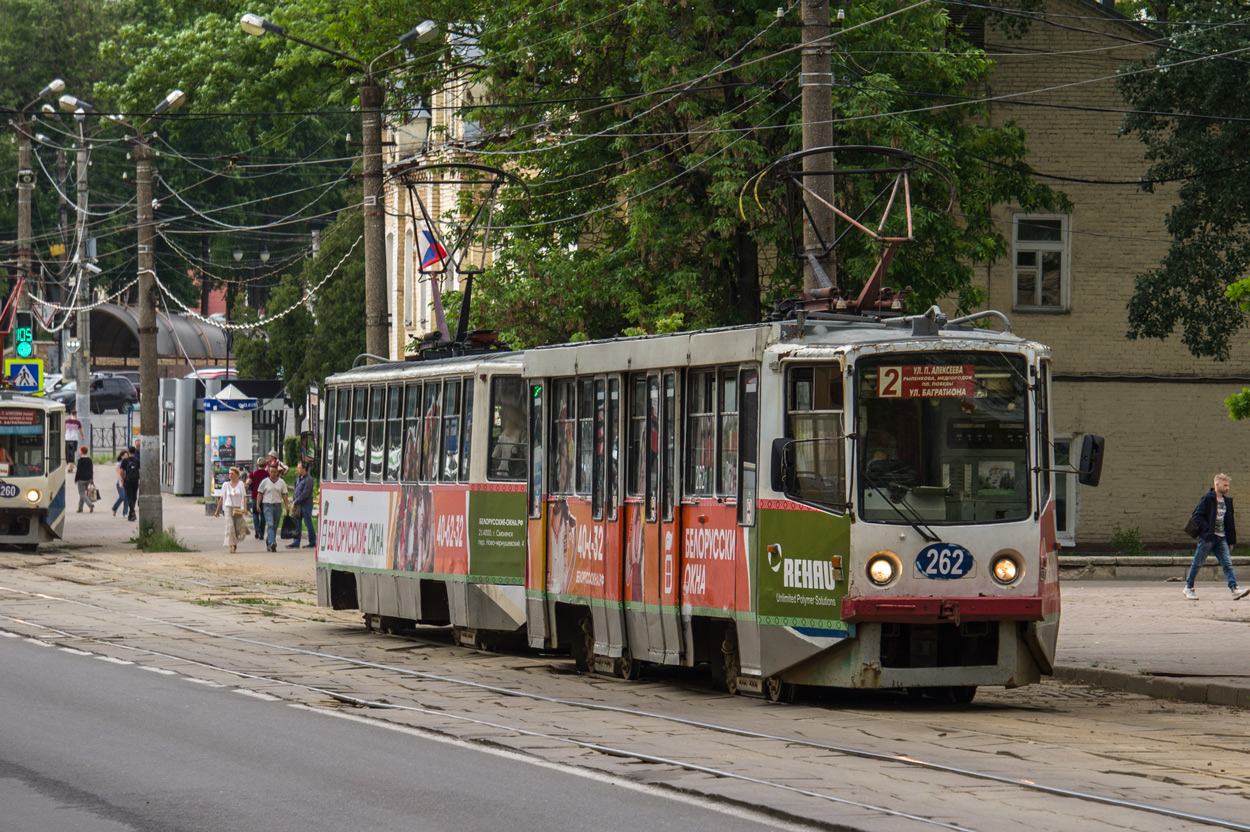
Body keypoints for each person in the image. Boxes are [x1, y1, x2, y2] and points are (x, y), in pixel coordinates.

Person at [1184, 473, 1250, 600]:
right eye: (1225, 485)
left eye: (1228, 485)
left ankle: (1234, 589)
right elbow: (1197, 515)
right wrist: (1208, 530)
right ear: (1217, 484)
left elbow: (1229, 522)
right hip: (1208, 538)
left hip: (1221, 538)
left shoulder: (1227, 501)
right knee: (1198, 563)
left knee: (1227, 564)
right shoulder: (1208, 498)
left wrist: (1231, 541)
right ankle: (1188, 587)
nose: (1227, 488)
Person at [215, 466, 249, 553]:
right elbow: (221, 498)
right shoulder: (225, 485)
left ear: (237, 475)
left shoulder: (241, 484)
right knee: (230, 527)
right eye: (229, 474)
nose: (230, 475)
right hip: (228, 507)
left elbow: (244, 497)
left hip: (237, 508)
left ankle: (236, 539)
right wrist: (217, 510)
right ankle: (232, 545)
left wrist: (245, 508)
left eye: (232, 474)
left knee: (237, 527)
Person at [257, 463, 290, 552]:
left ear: (277, 473)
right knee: (270, 524)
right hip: (267, 505)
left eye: (274, 472)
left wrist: (287, 505)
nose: (272, 473)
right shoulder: (265, 482)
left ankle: (269, 543)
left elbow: (284, 494)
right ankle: (272, 542)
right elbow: (260, 493)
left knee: (275, 526)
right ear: (269, 472)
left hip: (277, 505)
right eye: (271, 471)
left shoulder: (281, 482)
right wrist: (257, 504)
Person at [287, 460, 317, 549]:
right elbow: (296, 491)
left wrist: (295, 501)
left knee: (308, 523)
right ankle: (296, 542)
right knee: (297, 523)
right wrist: (294, 502)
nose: (298, 469)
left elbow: (305, 493)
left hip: (306, 504)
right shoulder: (297, 479)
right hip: (298, 505)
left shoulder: (308, 480)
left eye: (299, 467)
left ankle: (312, 541)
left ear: (304, 468)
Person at [247, 458, 268, 540]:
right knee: (263, 515)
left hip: (255, 496)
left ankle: (257, 530)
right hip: (265, 496)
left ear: (257, 464)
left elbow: (248, 482)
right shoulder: (267, 474)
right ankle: (262, 534)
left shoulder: (253, 473)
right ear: (265, 465)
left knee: (255, 514)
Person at [119, 446, 141, 521]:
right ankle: (131, 513)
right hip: (135, 481)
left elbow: (121, 471)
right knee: (134, 497)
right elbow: (139, 471)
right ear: (135, 452)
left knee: (129, 497)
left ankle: (133, 512)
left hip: (128, 481)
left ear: (128, 452)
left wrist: (122, 479)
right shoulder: (137, 461)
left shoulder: (125, 461)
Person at [74, 445, 95, 513]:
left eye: (80, 451)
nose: (79, 452)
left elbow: (78, 470)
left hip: (81, 479)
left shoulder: (80, 460)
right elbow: (91, 470)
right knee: (83, 493)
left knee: (81, 493)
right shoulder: (89, 460)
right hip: (88, 479)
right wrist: (92, 479)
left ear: (82, 452)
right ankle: (80, 508)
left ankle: (90, 504)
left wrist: (76, 479)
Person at [111, 450, 128, 516]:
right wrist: (120, 483)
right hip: (120, 482)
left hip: (127, 482)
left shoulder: (128, 463)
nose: (127, 457)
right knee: (122, 496)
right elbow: (118, 474)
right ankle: (114, 508)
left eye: (127, 456)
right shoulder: (119, 464)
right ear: (122, 456)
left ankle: (125, 513)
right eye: (125, 456)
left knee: (126, 497)